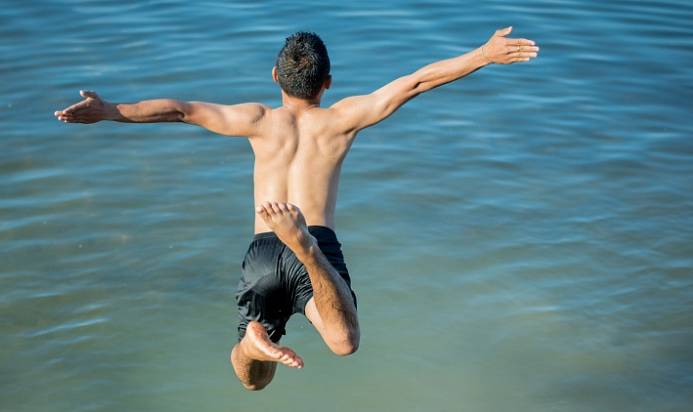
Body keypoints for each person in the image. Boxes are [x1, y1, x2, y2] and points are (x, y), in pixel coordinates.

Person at [55, 27, 538, 390]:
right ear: (327, 82)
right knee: (344, 341)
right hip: (315, 243)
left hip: (263, 247)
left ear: (274, 77)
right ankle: (304, 250)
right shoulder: (341, 120)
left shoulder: (256, 120)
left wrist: (112, 109)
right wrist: (483, 54)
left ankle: (252, 341)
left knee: (253, 380)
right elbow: (413, 84)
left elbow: (181, 109)